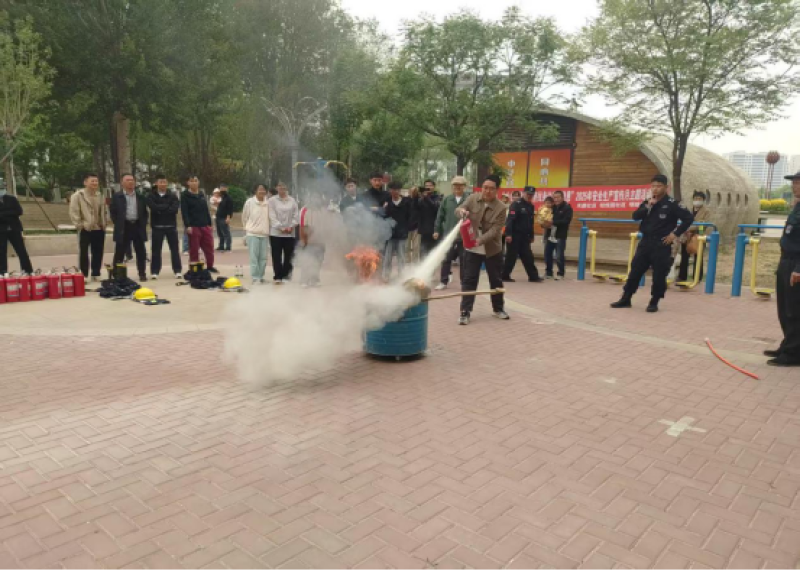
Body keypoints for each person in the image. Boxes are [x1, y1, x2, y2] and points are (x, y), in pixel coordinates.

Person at [611, 174, 693, 313]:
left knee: (659, 274)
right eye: (653, 186)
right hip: (645, 242)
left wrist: (675, 234)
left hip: (661, 244)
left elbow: (688, 218)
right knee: (635, 271)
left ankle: (654, 301)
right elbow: (635, 216)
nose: (655, 189)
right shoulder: (648, 202)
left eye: (659, 186)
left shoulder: (672, 204)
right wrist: (648, 206)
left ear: (666, 188)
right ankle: (626, 298)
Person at [455, 174, 508, 325]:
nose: (487, 191)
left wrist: (479, 240)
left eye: (491, 189)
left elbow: (495, 231)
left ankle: (498, 308)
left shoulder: (501, 208)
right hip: (472, 249)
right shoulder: (473, 198)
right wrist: (462, 211)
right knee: (469, 279)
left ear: (497, 190)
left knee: (496, 279)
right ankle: (465, 311)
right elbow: (459, 209)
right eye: (485, 187)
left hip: (492, 249)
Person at [765, 170, 800, 367]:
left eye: (798, 182)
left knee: (794, 310)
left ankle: (793, 353)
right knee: (784, 308)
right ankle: (788, 345)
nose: (794, 186)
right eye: (794, 182)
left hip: (796, 263)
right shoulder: (797, 207)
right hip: (786, 261)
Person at [433, 175, 470, 290]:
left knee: (464, 260)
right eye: (455, 185)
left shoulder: (469, 199)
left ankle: (464, 282)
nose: (457, 187)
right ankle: (443, 281)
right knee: (446, 259)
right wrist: (436, 230)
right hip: (448, 235)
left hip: (464, 236)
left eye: (460, 185)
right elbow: (440, 216)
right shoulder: (447, 199)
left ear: (464, 186)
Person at [110, 174, 149, 281]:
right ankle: (116, 274)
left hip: (137, 226)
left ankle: (142, 273)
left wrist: (143, 223)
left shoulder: (140, 196)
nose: (131, 182)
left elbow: (144, 212)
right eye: (127, 180)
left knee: (141, 252)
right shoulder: (117, 196)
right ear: (122, 183)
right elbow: (113, 212)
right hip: (124, 226)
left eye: (132, 180)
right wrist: (118, 223)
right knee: (120, 252)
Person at [69, 173, 108, 280]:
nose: (95, 183)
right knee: (84, 252)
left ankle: (96, 273)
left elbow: (104, 211)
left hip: (99, 228)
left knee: (98, 251)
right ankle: (84, 274)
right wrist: (80, 225)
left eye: (96, 181)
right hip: (85, 228)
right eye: (92, 181)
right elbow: (74, 212)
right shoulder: (78, 196)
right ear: (85, 182)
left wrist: (104, 223)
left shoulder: (100, 195)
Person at [502, 186, 543, 283]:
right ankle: (504, 275)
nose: (529, 196)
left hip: (524, 236)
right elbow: (510, 220)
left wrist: (531, 235)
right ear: (523, 193)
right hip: (514, 235)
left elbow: (530, 222)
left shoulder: (531, 206)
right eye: (528, 194)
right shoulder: (516, 204)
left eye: (531, 195)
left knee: (528, 256)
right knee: (511, 257)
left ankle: (533, 276)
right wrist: (508, 234)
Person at [146, 174, 182, 280]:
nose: (163, 184)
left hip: (171, 226)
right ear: (156, 183)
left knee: (174, 250)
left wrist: (160, 208)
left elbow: (174, 209)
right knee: (156, 250)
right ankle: (155, 271)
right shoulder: (151, 196)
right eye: (160, 182)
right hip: (157, 226)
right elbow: (153, 207)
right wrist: (165, 206)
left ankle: (177, 270)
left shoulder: (173, 195)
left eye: (164, 182)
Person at [181, 175, 217, 273]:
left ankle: (210, 266)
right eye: (191, 181)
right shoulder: (185, 195)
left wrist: (210, 223)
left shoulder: (201, 194)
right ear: (188, 183)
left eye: (196, 181)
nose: (194, 183)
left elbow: (206, 209)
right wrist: (188, 225)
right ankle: (194, 269)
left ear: (198, 182)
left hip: (204, 225)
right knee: (194, 249)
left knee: (209, 247)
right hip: (193, 226)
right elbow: (184, 212)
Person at [677, 190, 711, 282]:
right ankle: (682, 276)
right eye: (696, 198)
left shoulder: (706, 211)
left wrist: (690, 228)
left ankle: (697, 277)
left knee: (698, 256)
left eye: (699, 199)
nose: (697, 201)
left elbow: (704, 224)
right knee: (684, 255)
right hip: (686, 236)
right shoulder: (688, 209)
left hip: (699, 236)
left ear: (703, 200)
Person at [268, 182, 299, 284]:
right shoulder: (272, 201)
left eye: (284, 187)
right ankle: (278, 276)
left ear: (286, 188)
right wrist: (280, 227)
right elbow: (271, 215)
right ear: (276, 188)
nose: (282, 189)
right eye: (280, 187)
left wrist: (291, 226)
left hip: (290, 233)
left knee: (289, 255)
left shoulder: (292, 200)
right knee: (276, 255)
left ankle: (286, 276)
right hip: (276, 233)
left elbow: (296, 215)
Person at [0, 187, 34, 275]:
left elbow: (19, 211)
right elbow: (12, 212)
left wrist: (4, 214)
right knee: (1, 251)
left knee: (21, 250)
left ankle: (27, 270)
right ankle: (2, 271)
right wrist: (9, 213)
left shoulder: (12, 199)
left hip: (14, 228)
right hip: (2, 230)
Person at [382, 181, 412, 281]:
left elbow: (410, 216)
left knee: (401, 257)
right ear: (390, 191)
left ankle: (401, 277)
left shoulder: (406, 202)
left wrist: (406, 228)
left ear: (400, 190)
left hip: (402, 234)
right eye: (393, 190)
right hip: (389, 235)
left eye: (397, 190)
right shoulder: (387, 202)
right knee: (387, 257)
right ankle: (386, 276)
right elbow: (384, 216)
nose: (395, 192)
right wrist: (384, 209)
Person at [242, 184, 270, 285]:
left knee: (263, 258)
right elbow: (244, 217)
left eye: (263, 189)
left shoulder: (268, 203)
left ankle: (261, 276)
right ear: (255, 191)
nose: (262, 191)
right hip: (252, 234)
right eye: (259, 189)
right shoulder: (249, 202)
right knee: (254, 257)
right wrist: (247, 230)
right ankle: (255, 277)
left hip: (264, 234)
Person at [299, 193, 327, 287]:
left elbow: (326, 225)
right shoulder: (304, 210)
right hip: (309, 240)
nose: (316, 200)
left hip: (320, 241)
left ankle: (314, 279)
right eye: (314, 197)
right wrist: (303, 240)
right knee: (307, 260)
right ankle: (304, 280)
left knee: (318, 260)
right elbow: (302, 226)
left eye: (318, 197)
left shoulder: (323, 210)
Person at [545, 190, 573, 280]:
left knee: (559, 255)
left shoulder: (567, 208)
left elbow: (566, 221)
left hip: (560, 235)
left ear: (562, 198)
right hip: (550, 235)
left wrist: (554, 222)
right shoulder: (552, 208)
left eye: (558, 197)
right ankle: (548, 273)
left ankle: (560, 273)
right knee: (547, 254)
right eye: (554, 198)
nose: (556, 199)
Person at [416, 179, 439, 258]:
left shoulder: (438, 197)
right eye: (426, 186)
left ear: (434, 187)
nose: (428, 187)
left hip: (434, 230)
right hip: (424, 230)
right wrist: (415, 196)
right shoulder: (421, 199)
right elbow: (415, 208)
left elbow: (436, 208)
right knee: (423, 252)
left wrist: (426, 197)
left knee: (433, 253)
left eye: (430, 185)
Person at [215, 184, 233, 252]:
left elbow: (230, 209)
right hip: (218, 217)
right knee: (219, 233)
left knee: (226, 233)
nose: (222, 189)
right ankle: (221, 246)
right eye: (221, 188)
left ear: (226, 189)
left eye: (223, 188)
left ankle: (228, 247)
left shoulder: (229, 198)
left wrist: (228, 217)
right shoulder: (220, 197)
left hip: (224, 218)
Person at [406, 186, 421, 263]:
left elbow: (417, 205)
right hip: (406, 227)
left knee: (416, 247)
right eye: (411, 191)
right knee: (406, 247)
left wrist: (416, 196)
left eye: (415, 191)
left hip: (417, 227)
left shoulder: (419, 200)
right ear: (409, 191)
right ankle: (407, 262)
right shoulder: (406, 200)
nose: (413, 192)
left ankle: (415, 263)